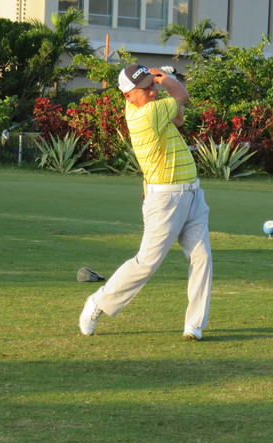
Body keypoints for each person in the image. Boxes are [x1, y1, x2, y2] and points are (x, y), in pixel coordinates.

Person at [78, 64, 212, 341]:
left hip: (192, 194)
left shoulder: (153, 108)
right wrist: (164, 78)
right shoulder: (146, 114)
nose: (152, 91)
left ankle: (194, 324)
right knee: (147, 262)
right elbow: (182, 95)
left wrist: (156, 80)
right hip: (166, 199)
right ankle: (99, 301)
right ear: (128, 95)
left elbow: (178, 120)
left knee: (201, 258)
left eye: (152, 85)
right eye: (145, 88)